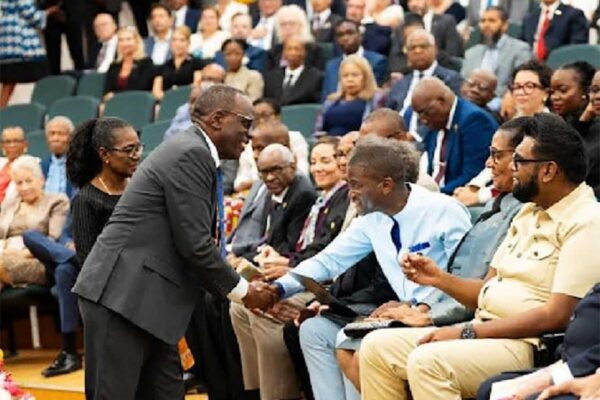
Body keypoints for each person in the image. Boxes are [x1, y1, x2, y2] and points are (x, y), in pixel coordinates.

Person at [358, 113, 600, 400]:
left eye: (519, 162)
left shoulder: (588, 221)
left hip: (525, 344)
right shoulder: (528, 212)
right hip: (485, 328)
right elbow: (487, 290)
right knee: (375, 348)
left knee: (429, 362)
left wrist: (467, 333)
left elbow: (557, 316)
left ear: (548, 171)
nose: (511, 168)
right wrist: (439, 279)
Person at [71, 86, 278, 399]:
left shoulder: (193, 152)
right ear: (219, 119)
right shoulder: (190, 153)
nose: (250, 134)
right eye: (246, 123)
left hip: (152, 303)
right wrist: (246, 293)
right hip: (121, 297)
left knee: (167, 393)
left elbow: (195, 241)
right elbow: (194, 244)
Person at [269, 136, 471, 400]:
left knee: (351, 339)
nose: (350, 193)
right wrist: (278, 288)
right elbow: (329, 260)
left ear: (386, 185)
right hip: (400, 314)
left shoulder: (444, 210)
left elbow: (468, 274)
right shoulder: (371, 217)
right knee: (314, 330)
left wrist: (421, 307)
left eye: (356, 186)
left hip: (441, 314)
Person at [338, 118, 527, 391]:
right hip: (459, 313)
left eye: (497, 155)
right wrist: (425, 307)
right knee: (357, 345)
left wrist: (431, 313)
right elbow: (465, 278)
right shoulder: (496, 211)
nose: (487, 164)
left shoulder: (520, 214)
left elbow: (491, 294)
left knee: (410, 357)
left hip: (485, 325)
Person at [406, 77, 498, 194]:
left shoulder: (474, 120)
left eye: (425, 112)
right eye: (419, 114)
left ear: (442, 101)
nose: (423, 120)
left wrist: (435, 195)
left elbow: (472, 175)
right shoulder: (435, 122)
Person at [0, 155, 69, 291]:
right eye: (19, 183)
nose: (24, 187)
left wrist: (21, 254)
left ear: (41, 180)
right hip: (4, 253)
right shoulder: (10, 205)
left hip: (36, 260)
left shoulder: (57, 202)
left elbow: (53, 242)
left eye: (29, 181)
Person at [228, 122, 292, 258]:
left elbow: (268, 237)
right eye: (254, 149)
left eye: (261, 148)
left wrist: (234, 254)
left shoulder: (281, 187)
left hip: (249, 257)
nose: (256, 155)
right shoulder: (258, 183)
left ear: (282, 148)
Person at [387, 28, 463, 132]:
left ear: (435, 49)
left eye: (423, 46)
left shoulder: (450, 79)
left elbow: (451, 116)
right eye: (412, 48)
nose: (418, 51)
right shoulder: (400, 84)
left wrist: (416, 136)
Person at [234, 98, 310, 192]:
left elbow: (301, 175)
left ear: (278, 116)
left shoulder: (293, 138)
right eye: (256, 117)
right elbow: (238, 184)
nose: (261, 120)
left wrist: (258, 181)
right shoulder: (249, 142)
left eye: (265, 115)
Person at [358, 108, 439, 192]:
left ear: (400, 138)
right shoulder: (358, 184)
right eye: (360, 144)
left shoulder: (423, 187)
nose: (363, 152)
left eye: (371, 144)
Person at [550, 62, 599, 197]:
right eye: (594, 90)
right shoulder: (572, 123)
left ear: (584, 91)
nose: (555, 97)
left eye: (563, 90)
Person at [461, 6, 531, 101]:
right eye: (483, 21)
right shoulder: (472, 52)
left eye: (491, 21)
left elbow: (522, 83)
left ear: (505, 25)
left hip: (501, 102)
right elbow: (463, 82)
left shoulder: (519, 49)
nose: (486, 25)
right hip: (471, 100)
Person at [0, 0, 58, 107]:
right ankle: (44, 107)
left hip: (8, 35)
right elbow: (32, 15)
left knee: (9, 81)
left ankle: (2, 110)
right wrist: (47, 13)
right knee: (40, 75)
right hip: (20, 37)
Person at [316, 55, 382, 136]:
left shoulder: (375, 98)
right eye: (345, 76)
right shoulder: (331, 100)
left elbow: (376, 132)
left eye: (355, 75)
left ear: (365, 77)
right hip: (328, 143)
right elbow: (317, 131)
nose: (350, 79)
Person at [322, 19, 388, 99]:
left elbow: (373, 94)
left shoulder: (377, 61)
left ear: (360, 35)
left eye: (350, 33)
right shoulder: (331, 66)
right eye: (340, 35)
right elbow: (325, 98)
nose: (345, 38)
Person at [263, 35, 323, 105]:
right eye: (289, 49)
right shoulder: (271, 77)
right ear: (283, 53)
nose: (293, 53)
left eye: (297, 49)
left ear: (304, 52)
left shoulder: (316, 77)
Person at [521, 0, 588, 61]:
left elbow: (576, 49)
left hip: (558, 67)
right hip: (530, 66)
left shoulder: (573, 15)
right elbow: (522, 44)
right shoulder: (530, 18)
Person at [103, 27, 157, 102]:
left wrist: (115, 94)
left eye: (128, 39)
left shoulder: (146, 63)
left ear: (137, 41)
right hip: (116, 104)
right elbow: (106, 93)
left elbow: (141, 88)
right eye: (121, 40)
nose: (124, 43)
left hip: (138, 103)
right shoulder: (114, 66)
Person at [152, 26, 203, 100]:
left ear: (188, 43)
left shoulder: (196, 63)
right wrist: (170, 98)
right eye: (174, 40)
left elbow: (196, 85)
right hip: (166, 102)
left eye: (182, 40)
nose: (177, 44)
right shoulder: (163, 66)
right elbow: (156, 91)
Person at [267, 5, 324, 71]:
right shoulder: (273, 52)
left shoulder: (314, 51)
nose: (287, 28)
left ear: (302, 26)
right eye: (283, 24)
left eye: (292, 24)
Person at [42, 0, 85, 75]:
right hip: (50, 12)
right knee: (53, 56)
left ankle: (82, 80)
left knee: (77, 52)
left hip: (73, 10)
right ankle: (54, 81)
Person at [42, 116, 76, 198]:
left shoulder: (80, 165)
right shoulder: (41, 166)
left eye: (61, 134)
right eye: (52, 133)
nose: (55, 138)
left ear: (71, 137)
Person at [0, 127, 29, 206]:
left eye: (16, 141)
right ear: (2, 146)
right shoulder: (1, 162)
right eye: (7, 142)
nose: (12, 145)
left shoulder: (32, 164)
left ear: (25, 144)